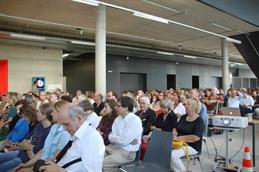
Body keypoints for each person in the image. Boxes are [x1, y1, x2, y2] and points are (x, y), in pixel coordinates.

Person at [39, 103, 105, 172]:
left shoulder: (91, 137)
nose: (64, 128)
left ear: (79, 118)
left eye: (66, 124)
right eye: (62, 124)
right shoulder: (78, 135)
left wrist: (59, 170)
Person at [14, 101, 71, 171]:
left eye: (53, 111)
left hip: (47, 166)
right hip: (40, 162)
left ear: (61, 113)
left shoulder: (66, 133)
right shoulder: (54, 127)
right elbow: (44, 150)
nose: (51, 113)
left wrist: (35, 167)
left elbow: (54, 159)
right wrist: (27, 164)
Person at [0, 103, 52, 171]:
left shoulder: (49, 131)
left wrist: (28, 147)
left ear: (44, 115)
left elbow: (35, 154)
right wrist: (27, 146)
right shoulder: (39, 125)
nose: (36, 113)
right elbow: (26, 139)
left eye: (38, 112)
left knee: (2, 167)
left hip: (26, 159)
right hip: (21, 152)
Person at [103, 96, 142, 169]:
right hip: (114, 147)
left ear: (126, 107)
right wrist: (126, 140)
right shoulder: (118, 119)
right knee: (95, 159)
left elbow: (123, 141)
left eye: (118, 106)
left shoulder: (135, 120)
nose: (115, 108)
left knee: (101, 164)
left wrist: (121, 139)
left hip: (127, 152)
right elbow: (110, 137)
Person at [171, 98, 205, 172]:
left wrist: (180, 138)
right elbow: (175, 127)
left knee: (172, 155)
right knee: (164, 150)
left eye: (187, 105)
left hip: (192, 146)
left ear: (193, 107)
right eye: (185, 105)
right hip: (179, 143)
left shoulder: (199, 121)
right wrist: (174, 132)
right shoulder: (183, 117)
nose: (185, 106)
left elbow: (196, 137)